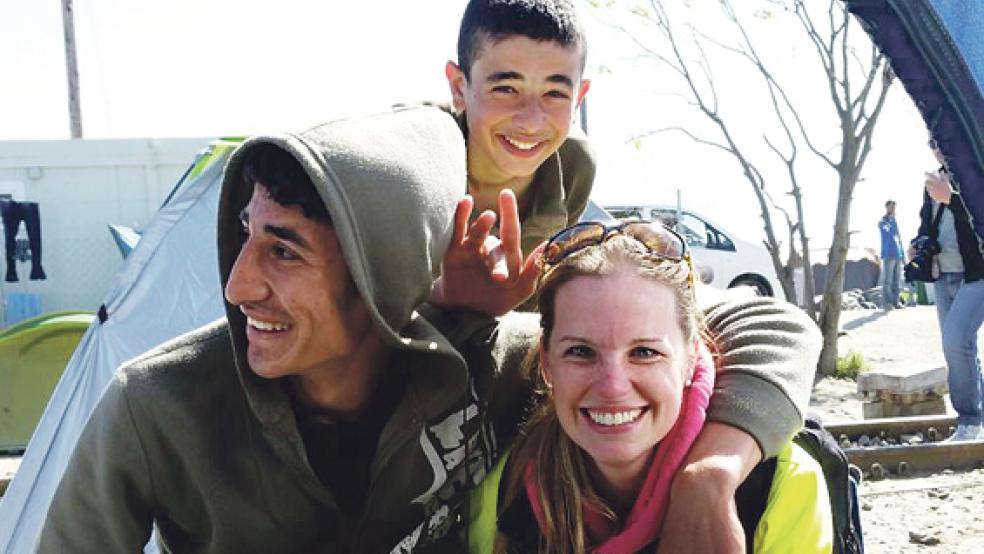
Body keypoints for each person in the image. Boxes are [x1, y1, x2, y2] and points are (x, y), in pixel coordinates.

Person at [40, 105, 819, 552]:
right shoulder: (156, 404)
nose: (239, 285)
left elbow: (761, 327)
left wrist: (709, 472)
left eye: (284, 249)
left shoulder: (505, 362)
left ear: (383, 268)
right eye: (245, 235)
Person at [467, 222, 832, 553]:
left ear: (691, 358)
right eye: (580, 352)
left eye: (645, 352)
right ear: (546, 363)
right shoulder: (505, 491)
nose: (612, 386)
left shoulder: (780, 487)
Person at [444, 0, 594, 257]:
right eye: (506, 89)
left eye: (555, 93)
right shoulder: (413, 153)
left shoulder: (573, 165)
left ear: (578, 98)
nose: (531, 122)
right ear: (459, 88)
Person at [910, 140, 984, 441]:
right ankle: (978, 416)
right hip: (944, 275)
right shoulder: (934, 180)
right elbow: (927, 224)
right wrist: (917, 245)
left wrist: (951, 198)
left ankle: (969, 421)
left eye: (942, 138)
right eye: (932, 142)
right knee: (960, 348)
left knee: (956, 341)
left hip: (976, 274)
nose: (938, 146)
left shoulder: (975, 173)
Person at [878, 199, 905, 309]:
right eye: (891, 206)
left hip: (897, 254)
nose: (893, 209)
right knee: (887, 280)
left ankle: (896, 301)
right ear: (887, 207)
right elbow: (887, 231)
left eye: (894, 207)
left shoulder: (895, 221)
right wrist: (889, 217)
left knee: (897, 280)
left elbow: (898, 237)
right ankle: (886, 303)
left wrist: (903, 254)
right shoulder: (882, 222)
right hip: (888, 253)